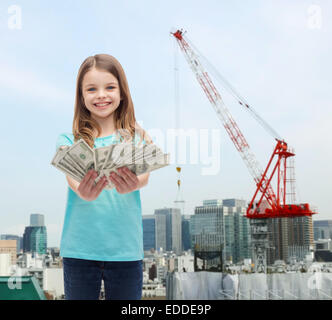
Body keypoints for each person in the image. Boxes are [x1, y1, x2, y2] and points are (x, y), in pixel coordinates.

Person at [56, 54, 153, 300]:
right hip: (79, 251)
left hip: (126, 252)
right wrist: (82, 191)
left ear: (122, 93)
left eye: (110, 87)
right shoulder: (69, 141)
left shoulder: (135, 138)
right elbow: (72, 179)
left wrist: (133, 183)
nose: (101, 95)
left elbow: (145, 176)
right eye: (91, 89)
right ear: (81, 96)